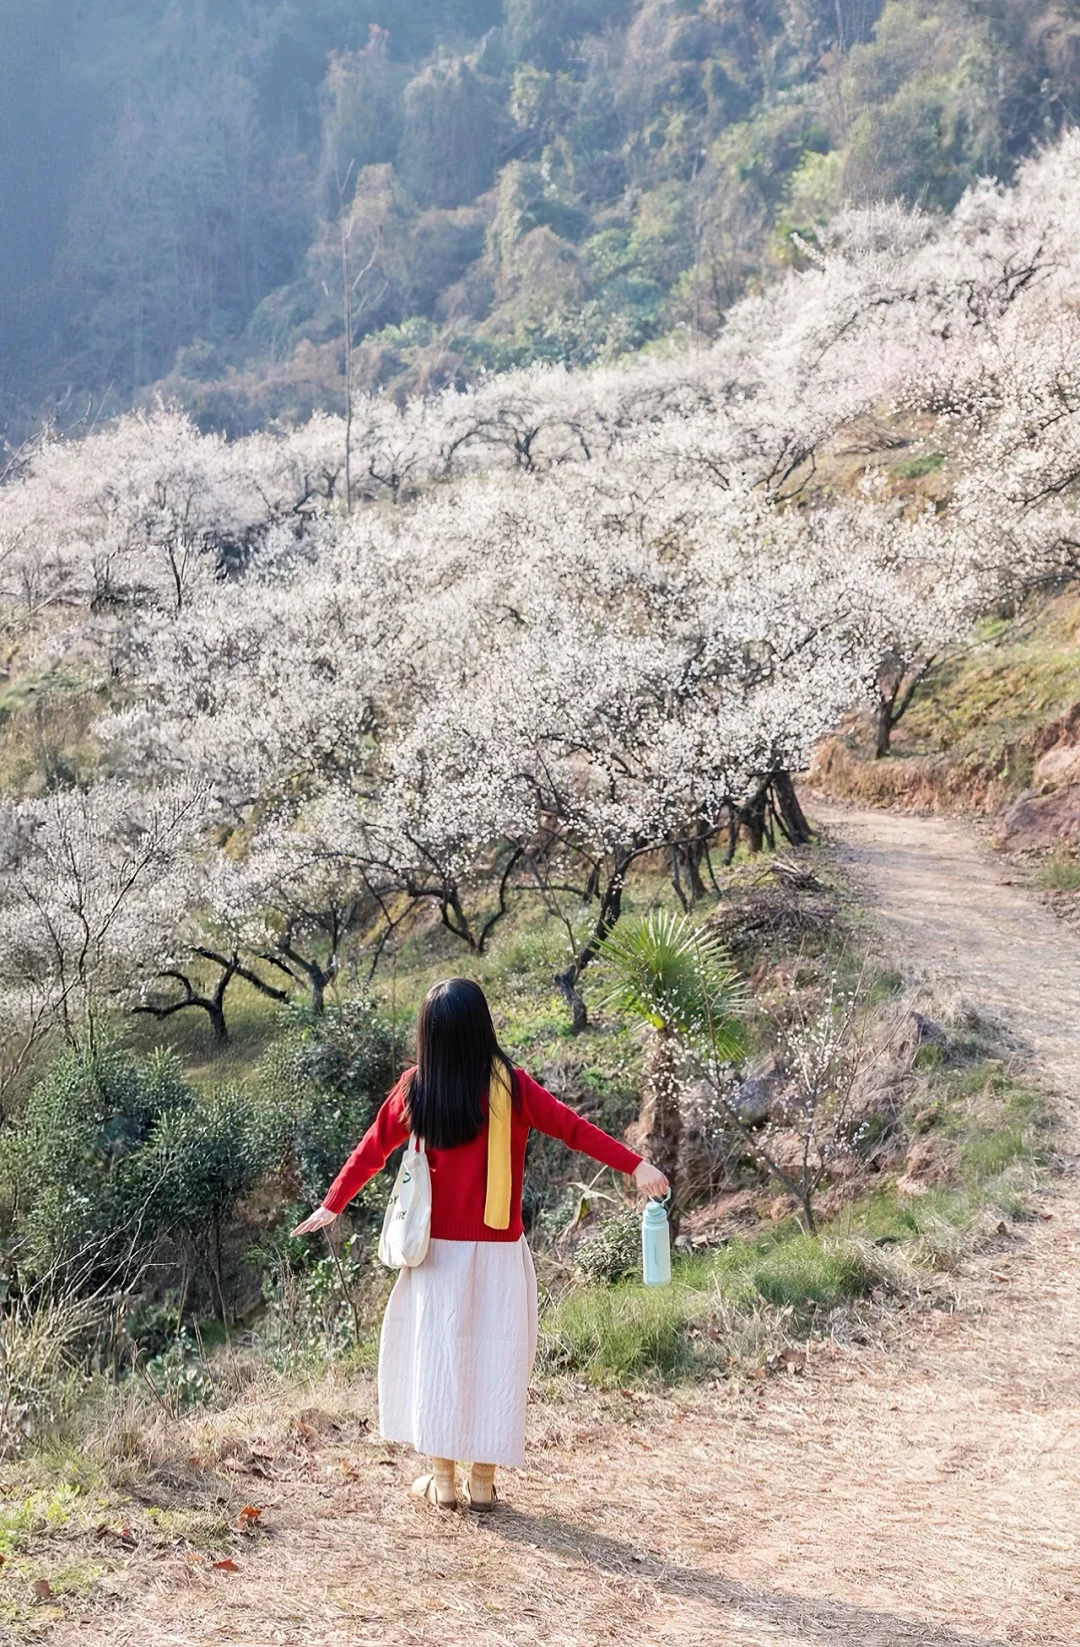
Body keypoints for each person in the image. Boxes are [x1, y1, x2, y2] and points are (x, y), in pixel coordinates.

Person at [291, 976, 669, 1510]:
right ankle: (483, 1483)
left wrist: (333, 1203)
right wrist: (636, 1165)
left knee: (439, 1360)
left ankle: (443, 1483)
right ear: (482, 1029)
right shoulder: (511, 1087)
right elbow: (573, 1128)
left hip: (435, 1258)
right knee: (495, 1362)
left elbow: (371, 1150)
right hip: (496, 1252)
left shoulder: (415, 1090)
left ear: (431, 1035)